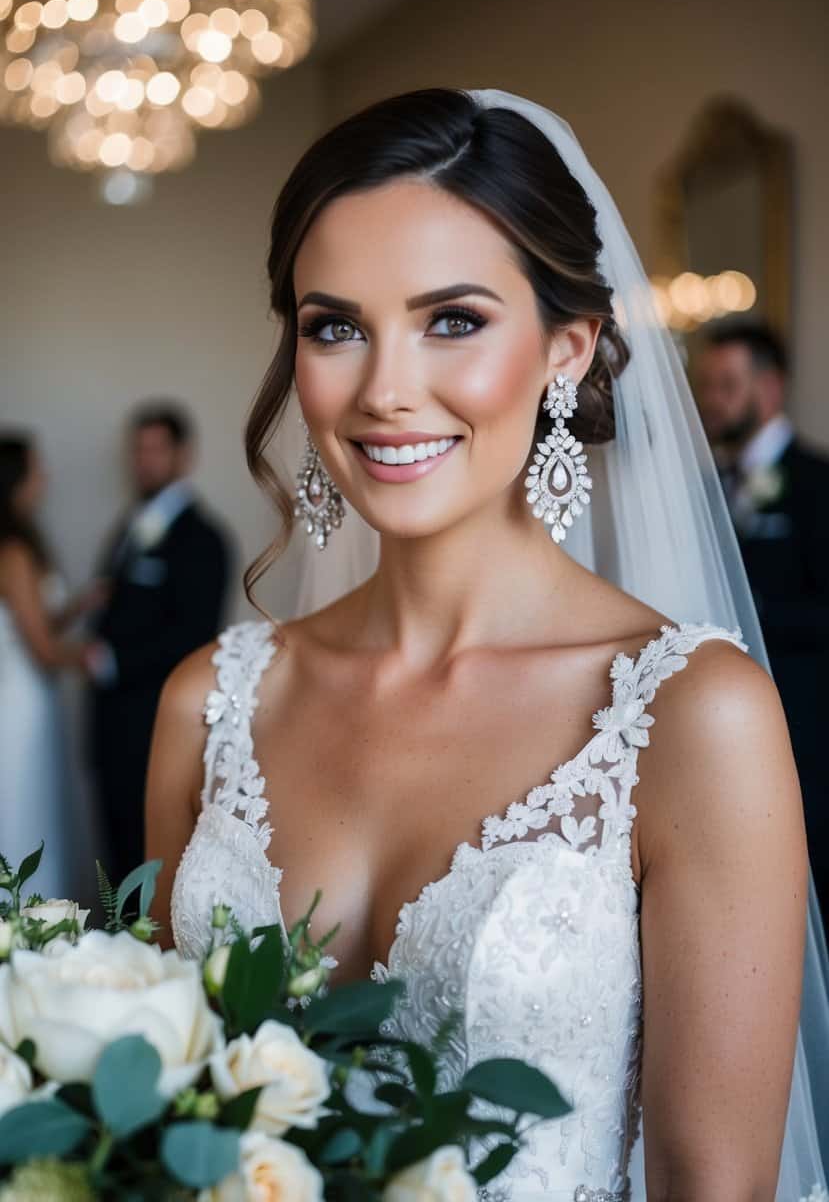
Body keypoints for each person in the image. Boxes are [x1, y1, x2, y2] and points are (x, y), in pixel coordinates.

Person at [147, 91, 827, 1199]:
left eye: (451, 319)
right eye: (335, 326)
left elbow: (717, 1185)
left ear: (567, 348)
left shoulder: (692, 717)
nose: (384, 390)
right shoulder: (209, 704)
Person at [695, 322, 829, 931]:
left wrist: (750, 616)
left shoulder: (818, 483)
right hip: (717, 734)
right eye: (706, 385)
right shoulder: (701, 489)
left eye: (727, 385)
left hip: (807, 731)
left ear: (770, 389)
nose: (711, 399)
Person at [88, 403, 231, 884]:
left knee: (147, 863)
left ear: (183, 455)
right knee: (116, 854)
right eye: (138, 450)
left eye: (155, 449)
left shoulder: (203, 539)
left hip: (153, 726)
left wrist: (112, 661)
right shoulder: (130, 525)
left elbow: (194, 637)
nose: (144, 460)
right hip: (114, 726)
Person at [0, 433, 103, 896]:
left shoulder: (22, 543)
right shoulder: (13, 552)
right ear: (15, 480)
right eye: (37, 470)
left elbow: (38, 621)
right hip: (18, 700)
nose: (45, 479)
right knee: (23, 808)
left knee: (36, 805)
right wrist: (88, 655)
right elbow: (41, 647)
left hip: (31, 696)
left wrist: (80, 606)